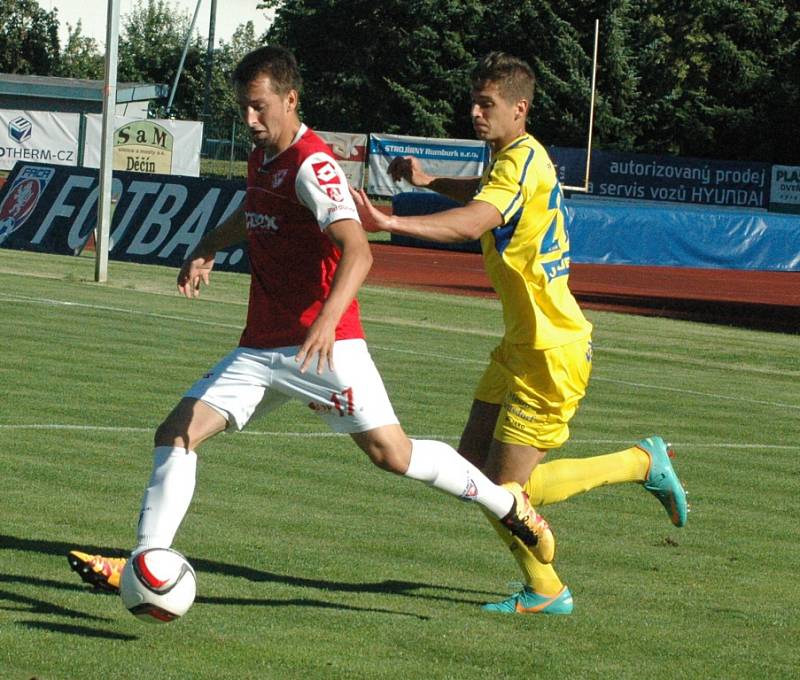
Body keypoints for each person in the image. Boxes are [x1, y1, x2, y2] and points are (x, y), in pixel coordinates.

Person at [67, 46, 556, 594]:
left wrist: (326, 321)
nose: (249, 120)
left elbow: (359, 250)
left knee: (393, 455)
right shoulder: (263, 158)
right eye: (243, 110)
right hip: (260, 349)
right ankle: (145, 563)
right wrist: (207, 244)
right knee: (176, 433)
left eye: (258, 108)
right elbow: (254, 212)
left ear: (290, 99)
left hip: (324, 349)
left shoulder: (313, 165)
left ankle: (507, 504)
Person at [352, 51, 688, 615]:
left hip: (550, 352)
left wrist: (390, 221)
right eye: (475, 102)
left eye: (487, 104)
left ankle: (619, 493)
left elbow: (477, 221)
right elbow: (486, 196)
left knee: (508, 497)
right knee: (472, 470)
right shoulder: (513, 158)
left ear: (519, 109)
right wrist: (430, 180)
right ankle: (561, 568)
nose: (476, 113)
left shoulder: (520, 162)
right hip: (520, 345)